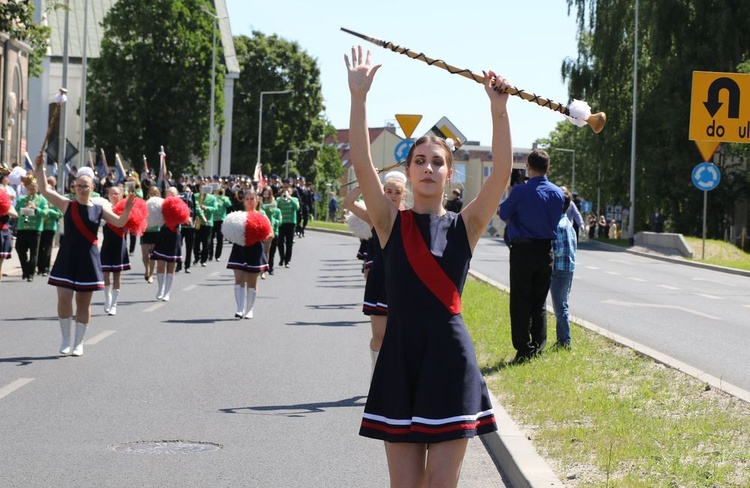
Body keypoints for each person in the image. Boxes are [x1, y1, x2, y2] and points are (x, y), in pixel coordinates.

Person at [346, 46, 511, 486]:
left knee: (440, 482)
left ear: (449, 175)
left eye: (437, 162)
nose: (428, 168)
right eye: (419, 161)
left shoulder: (467, 225)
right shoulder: (386, 220)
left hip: (450, 359)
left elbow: (500, 176)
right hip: (400, 356)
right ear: (408, 169)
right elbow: (361, 162)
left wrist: (499, 110)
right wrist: (358, 97)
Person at [35, 159, 135, 357]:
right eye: (78, 186)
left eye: (85, 186)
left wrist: (128, 209)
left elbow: (119, 222)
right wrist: (39, 168)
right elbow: (44, 189)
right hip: (67, 257)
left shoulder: (99, 209)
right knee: (64, 298)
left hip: (88, 259)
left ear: (92, 187)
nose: (81, 189)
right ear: (74, 187)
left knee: (83, 302)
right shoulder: (66, 204)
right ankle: (65, 339)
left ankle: (78, 342)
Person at [499, 149, 564, 363]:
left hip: (522, 250)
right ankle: (538, 345)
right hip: (546, 250)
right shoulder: (558, 193)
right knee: (539, 301)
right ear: (548, 167)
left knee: (520, 300)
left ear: (528, 167)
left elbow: (503, 213)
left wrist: (512, 192)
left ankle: (523, 348)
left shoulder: (520, 191)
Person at [342, 171, 407, 377]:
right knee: (379, 337)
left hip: (403, 282)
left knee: (399, 337)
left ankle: (396, 377)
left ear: (403, 196)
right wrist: (365, 182)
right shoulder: (374, 216)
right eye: (388, 191)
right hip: (380, 279)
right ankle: (376, 376)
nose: (392, 195)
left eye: (397, 192)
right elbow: (349, 202)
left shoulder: (411, 218)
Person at [226, 190, 271, 319]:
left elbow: (270, 233)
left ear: (256, 201)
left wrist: (260, 235)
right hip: (239, 248)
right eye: (247, 199)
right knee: (239, 279)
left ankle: (249, 310)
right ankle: (239, 309)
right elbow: (230, 231)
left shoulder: (262, 216)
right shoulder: (238, 216)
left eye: (252, 198)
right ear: (243, 201)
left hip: (255, 249)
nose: (250, 201)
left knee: (252, 282)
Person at [550, 189, 577, 349]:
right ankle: (561, 339)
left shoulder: (558, 225)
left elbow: (558, 250)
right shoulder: (568, 223)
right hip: (569, 268)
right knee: (562, 304)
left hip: (559, 270)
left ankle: (565, 341)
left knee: (560, 306)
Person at [151, 187, 188, 301]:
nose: (170, 196)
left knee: (171, 266)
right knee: (161, 264)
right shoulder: (161, 205)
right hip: (163, 235)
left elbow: (184, 219)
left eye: (173, 194)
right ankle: (160, 288)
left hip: (174, 236)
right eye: (168, 194)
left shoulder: (181, 205)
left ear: (177, 195)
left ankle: (167, 292)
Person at [101, 185, 131, 315]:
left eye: (116, 194)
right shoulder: (104, 208)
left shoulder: (125, 209)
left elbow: (128, 226)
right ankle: (107, 299)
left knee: (117, 274)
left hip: (119, 244)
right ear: (108, 196)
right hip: (107, 243)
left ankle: (114, 304)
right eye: (111, 193)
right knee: (105, 273)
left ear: (121, 195)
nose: (114, 196)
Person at [14, 179, 48, 281]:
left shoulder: (42, 200)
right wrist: (24, 209)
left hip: (35, 229)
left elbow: (45, 212)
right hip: (22, 228)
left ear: (37, 189)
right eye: (29, 189)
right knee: (20, 250)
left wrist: (36, 209)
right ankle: (25, 270)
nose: (31, 191)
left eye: (33, 189)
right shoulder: (21, 199)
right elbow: (16, 211)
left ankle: (30, 274)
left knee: (34, 252)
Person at [37, 176, 63, 277]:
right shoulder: (39, 199)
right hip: (39, 226)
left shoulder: (55, 200)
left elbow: (59, 214)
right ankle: (39, 268)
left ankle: (45, 268)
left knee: (47, 248)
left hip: (50, 226)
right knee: (39, 248)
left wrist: (49, 211)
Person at [193, 181, 217, 267]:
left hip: (208, 223)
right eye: (201, 187)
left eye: (204, 187)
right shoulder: (195, 196)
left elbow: (215, 209)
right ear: (199, 188)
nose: (203, 189)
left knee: (206, 243)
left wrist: (206, 208)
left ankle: (204, 260)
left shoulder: (212, 198)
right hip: (197, 222)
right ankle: (196, 256)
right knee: (196, 242)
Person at [141, 185, 162, 283]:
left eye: (156, 193)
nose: (154, 195)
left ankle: (151, 275)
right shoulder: (145, 203)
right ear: (149, 194)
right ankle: (147, 269)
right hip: (145, 231)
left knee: (153, 255)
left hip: (156, 231)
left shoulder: (161, 203)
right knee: (145, 255)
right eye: (152, 193)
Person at [260, 186, 281, 277]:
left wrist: (275, 222)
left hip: (272, 229)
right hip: (262, 228)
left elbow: (274, 212)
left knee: (271, 251)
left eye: (268, 192)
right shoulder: (260, 201)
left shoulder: (274, 202)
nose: (266, 194)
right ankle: (262, 268)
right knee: (263, 250)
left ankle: (270, 267)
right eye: (265, 192)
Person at [276, 186, 299, 268]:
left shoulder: (295, 199)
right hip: (282, 223)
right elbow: (276, 208)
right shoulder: (279, 199)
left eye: (288, 191)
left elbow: (296, 207)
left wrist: (290, 199)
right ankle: (282, 258)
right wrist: (281, 201)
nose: (286, 193)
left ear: (291, 192)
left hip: (291, 223)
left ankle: (287, 260)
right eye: (285, 191)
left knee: (289, 243)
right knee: (280, 242)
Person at [0, 188, 18, 281]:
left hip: (3, 230)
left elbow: (16, 214)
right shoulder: (23, 200)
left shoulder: (7, 205)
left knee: (1, 255)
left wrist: (5, 209)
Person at [210, 187, 232, 262]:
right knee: (211, 238)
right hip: (213, 219)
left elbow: (229, 205)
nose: (219, 192)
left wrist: (223, 198)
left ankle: (217, 256)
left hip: (221, 220)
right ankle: (210, 254)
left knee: (220, 239)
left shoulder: (225, 198)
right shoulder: (213, 197)